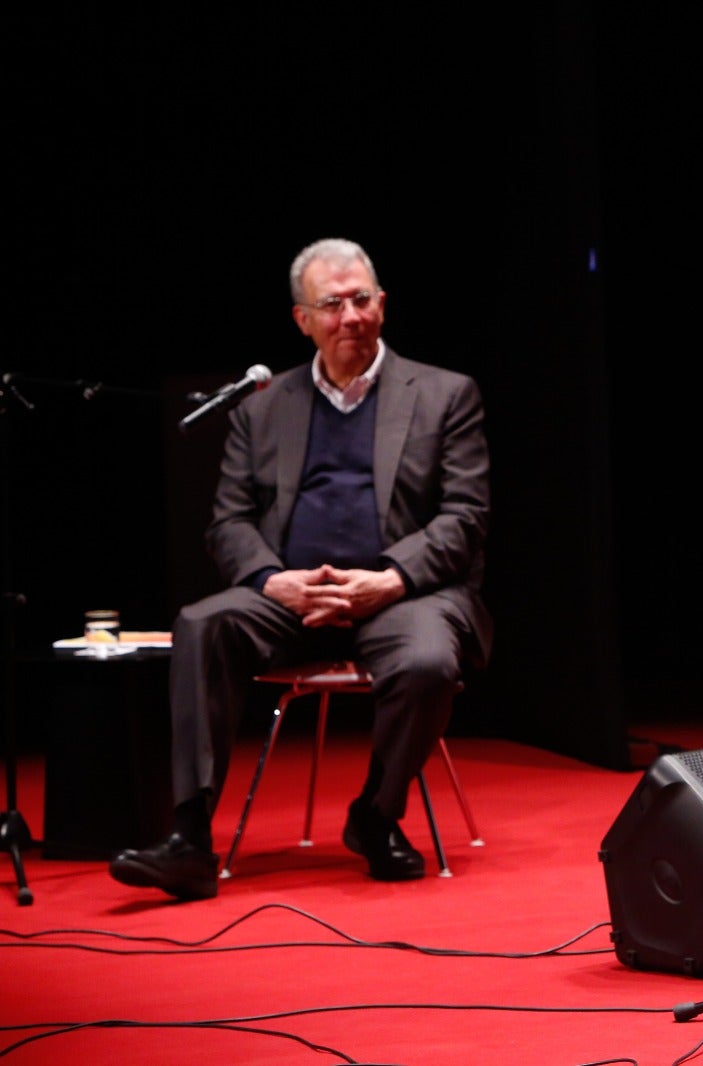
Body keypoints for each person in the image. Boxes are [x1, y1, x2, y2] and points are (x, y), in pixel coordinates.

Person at [110, 237, 492, 900]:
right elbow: (227, 522)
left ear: (383, 304)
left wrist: (390, 579)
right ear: (302, 319)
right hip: (289, 596)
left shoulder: (445, 394)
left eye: (362, 300)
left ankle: (376, 816)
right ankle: (190, 840)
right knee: (202, 624)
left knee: (430, 659)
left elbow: (464, 516)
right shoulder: (262, 405)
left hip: (401, 594)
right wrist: (271, 581)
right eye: (333, 304)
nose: (351, 316)